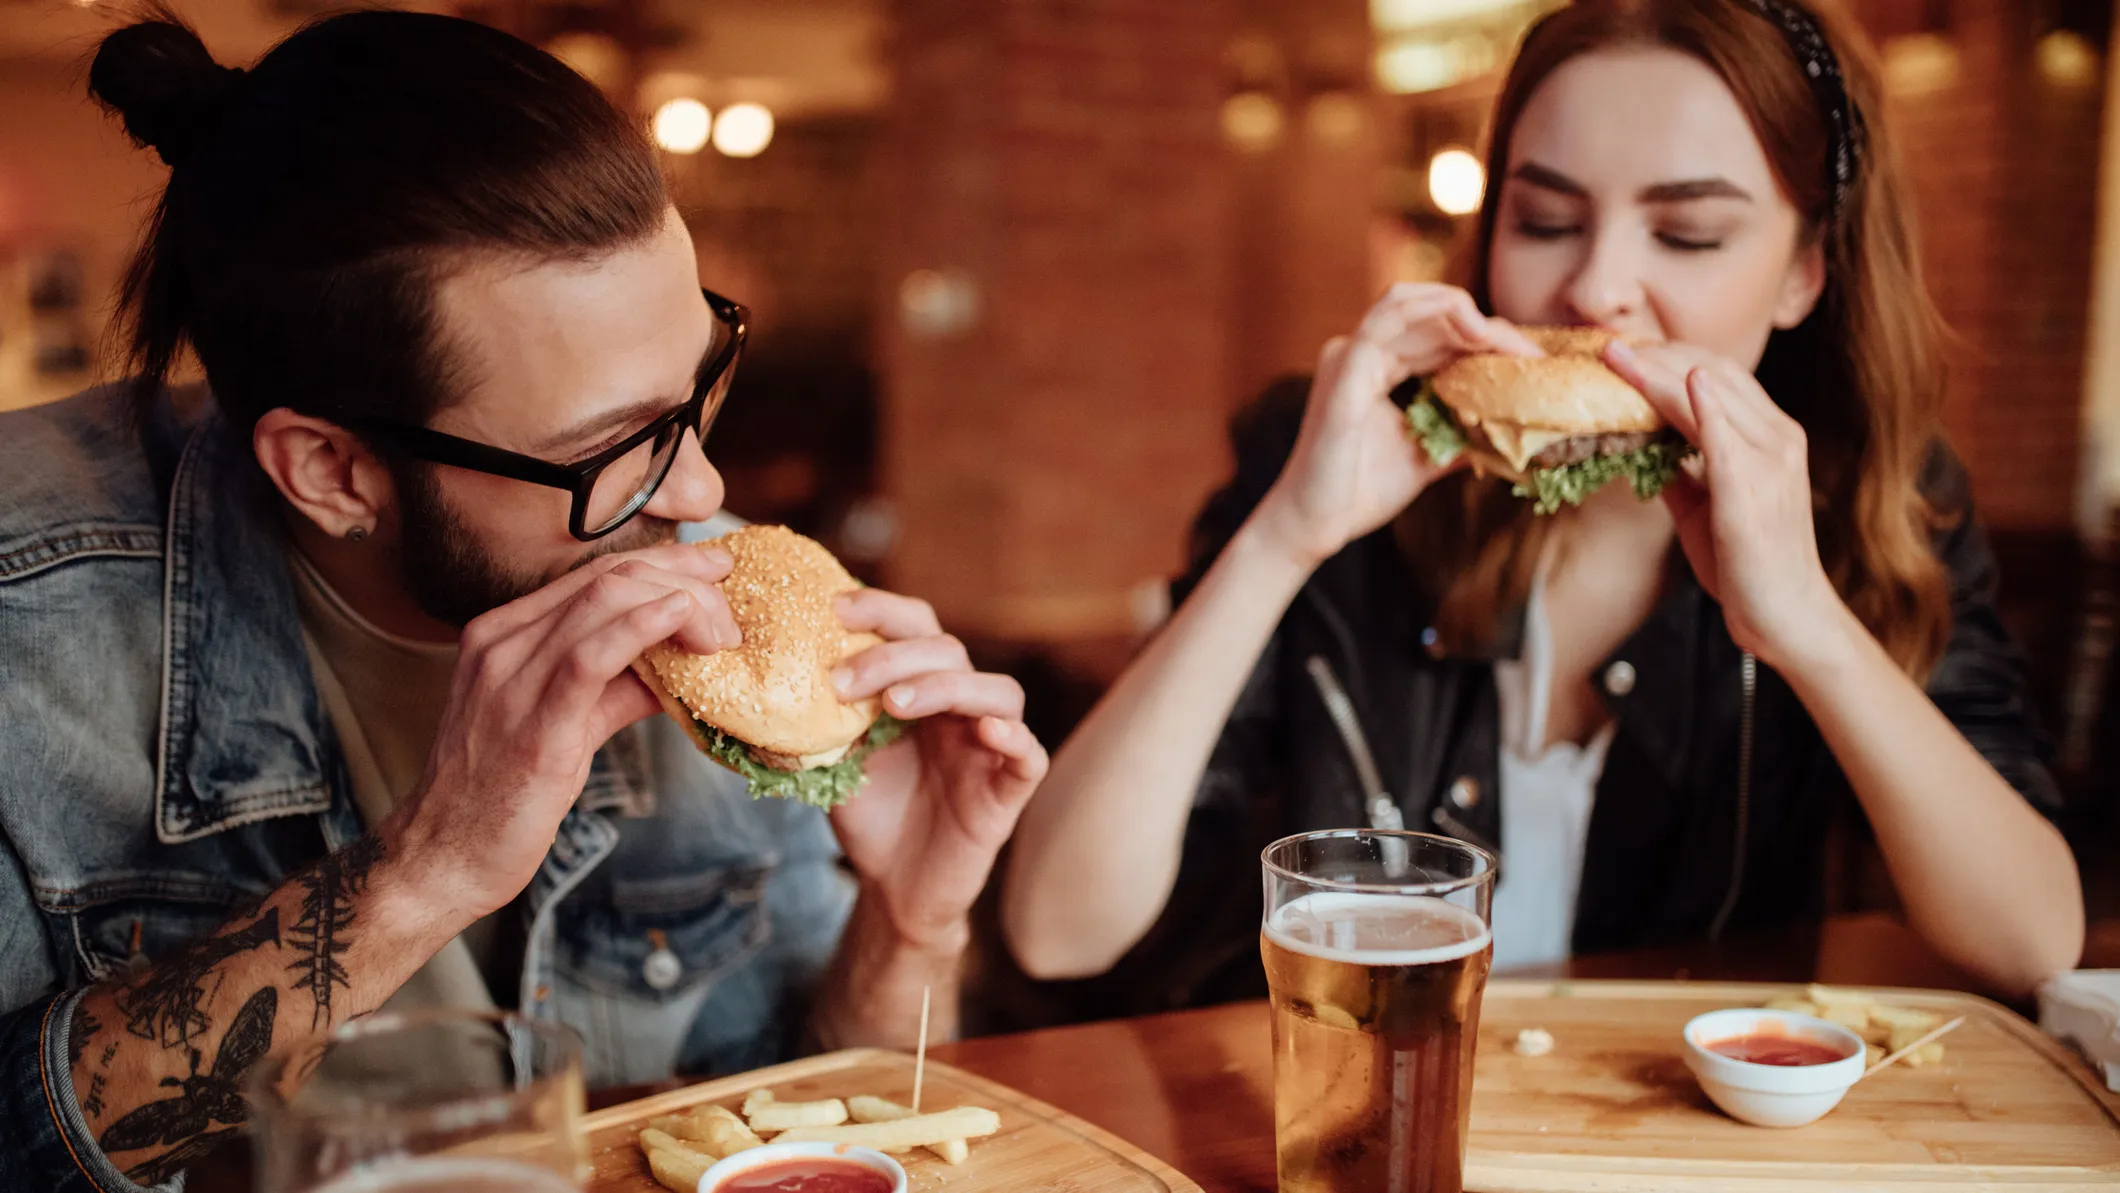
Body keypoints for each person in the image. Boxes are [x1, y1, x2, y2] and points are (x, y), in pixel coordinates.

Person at [0, 12, 1045, 1190]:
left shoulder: (727, 623)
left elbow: (808, 1123)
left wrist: (907, 918)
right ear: (334, 470)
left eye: (698, 380)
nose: (701, 492)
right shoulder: (29, 627)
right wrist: (430, 868)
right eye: (612, 449)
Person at [1003, 0, 2082, 1010]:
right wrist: (1287, 532)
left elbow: (2031, 939)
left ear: (1804, 270)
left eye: (1687, 234)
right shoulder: (1333, 443)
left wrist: (1804, 622)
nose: (1594, 287)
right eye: (1544, 218)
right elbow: (1054, 926)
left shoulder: (1873, 496)